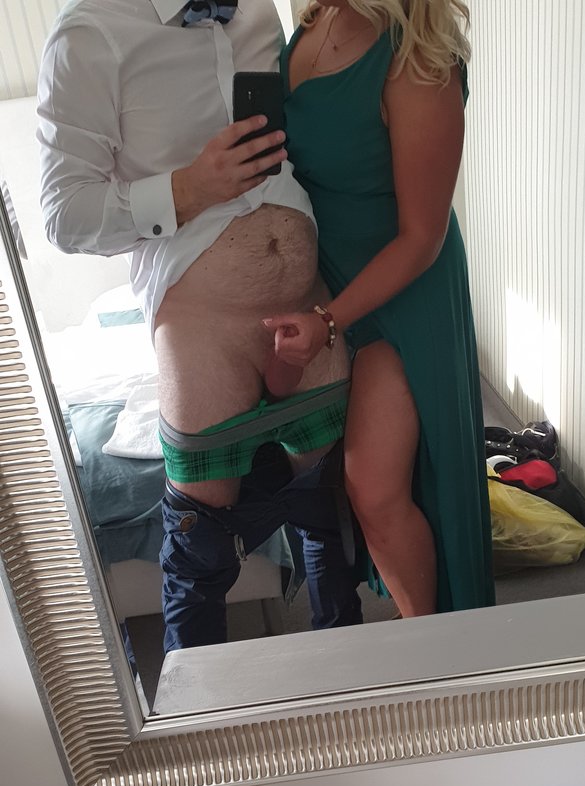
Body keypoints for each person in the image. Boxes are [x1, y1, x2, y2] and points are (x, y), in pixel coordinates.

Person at [36, 0, 363, 654]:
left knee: (327, 525)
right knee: (199, 558)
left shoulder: (258, 13)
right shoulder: (88, 33)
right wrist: (186, 188)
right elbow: (64, 214)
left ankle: (351, 688)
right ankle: (202, 712)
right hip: (202, 338)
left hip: (310, 316)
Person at [264, 0, 495, 617]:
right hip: (330, 279)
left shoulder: (418, 58)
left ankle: (435, 643)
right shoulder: (315, 18)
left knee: (375, 485)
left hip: (403, 296)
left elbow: (422, 238)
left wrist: (330, 319)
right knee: (360, 487)